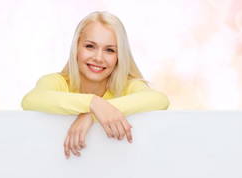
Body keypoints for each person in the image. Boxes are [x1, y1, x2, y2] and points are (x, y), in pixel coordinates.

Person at [21, 11, 169, 159]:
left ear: (119, 56)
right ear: (76, 47)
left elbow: (160, 100)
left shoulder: (127, 86)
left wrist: (92, 115)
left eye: (109, 50)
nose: (98, 58)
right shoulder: (57, 82)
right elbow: (30, 100)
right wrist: (92, 103)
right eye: (90, 46)